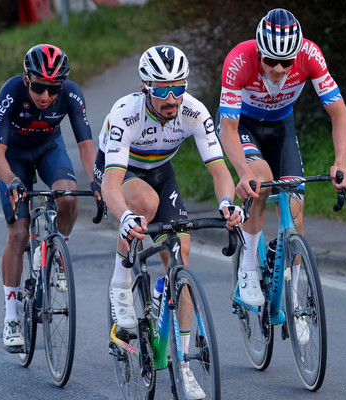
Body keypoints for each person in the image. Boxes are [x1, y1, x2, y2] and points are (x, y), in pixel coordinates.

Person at [96, 44, 242, 399]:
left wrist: (226, 203)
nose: (171, 97)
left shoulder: (193, 111)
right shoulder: (125, 114)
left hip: (161, 169)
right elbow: (112, 185)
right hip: (119, 168)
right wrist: (126, 216)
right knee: (144, 202)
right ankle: (120, 280)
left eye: (178, 87)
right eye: (162, 90)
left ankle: (184, 366)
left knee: (181, 252)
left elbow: (220, 170)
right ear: (146, 87)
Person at [217, 8, 346, 308]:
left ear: (297, 54)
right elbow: (227, 126)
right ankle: (249, 267)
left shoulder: (310, 55)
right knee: (260, 179)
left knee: (295, 206)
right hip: (244, 127)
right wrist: (242, 171)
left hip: (281, 127)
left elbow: (340, 114)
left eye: (286, 62)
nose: (278, 69)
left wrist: (340, 162)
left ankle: (296, 303)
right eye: (270, 61)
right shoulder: (239, 58)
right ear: (259, 51)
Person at [0, 44, 99, 351]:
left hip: (49, 150)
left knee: (67, 197)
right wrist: (11, 180)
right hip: (14, 159)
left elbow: (86, 146)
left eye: (53, 90)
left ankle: (57, 253)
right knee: (19, 231)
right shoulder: (11, 91)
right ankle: (11, 315)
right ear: (27, 79)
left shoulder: (71, 94)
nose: (46, 97)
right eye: (39, 88)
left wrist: (98, 182)